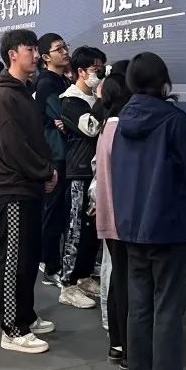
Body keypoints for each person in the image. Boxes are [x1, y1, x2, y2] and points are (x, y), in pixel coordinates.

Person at [113, 52, 186, 370]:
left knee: (139, 303)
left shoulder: (122, 121)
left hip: (132, 227)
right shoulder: (173, 121)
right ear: (163, 81)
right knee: (167, 307)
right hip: (167, 227)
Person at [0, 29, 58, 354]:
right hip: (13, 188)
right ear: (12, 54)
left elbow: (35, 140)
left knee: (28, 257)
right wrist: (44, 171)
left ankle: (25, 315)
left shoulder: (23, 92)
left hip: (28, 186)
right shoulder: (4, 95)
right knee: (14, 259)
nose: (36, 54)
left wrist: (46, 170)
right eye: (30, 49)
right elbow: (12, 146)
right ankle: (12, 328)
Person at [55, 46, 106, 309]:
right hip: (79, 172)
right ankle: (67, 285)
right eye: (96, 69)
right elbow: (91, 128)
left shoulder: (92, 99)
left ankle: (84, 276)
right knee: (75, 229)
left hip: (96, 171)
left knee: (92, 229)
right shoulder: (70, 100)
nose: (100, 74)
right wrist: (103, 99)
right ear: (81, 71)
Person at [92, 63, 131, 369]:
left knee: (117, 277)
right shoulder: (121, 129)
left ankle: (116, 343)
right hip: (124, 219)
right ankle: (127, 346)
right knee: (126, 283)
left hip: (108, 216)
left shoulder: (106, 126)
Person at [34, 33, 72, 285]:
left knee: (62, 212)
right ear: (46, 57)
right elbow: (65, 115)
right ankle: (49, 264)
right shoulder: (47, 83)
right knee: (53, 212)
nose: (65, 52)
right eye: (59, 49)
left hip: (64, 153)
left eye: (65, 47)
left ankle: (58, 261)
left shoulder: (61, 80)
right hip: (55, 155)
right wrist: (66, 120)